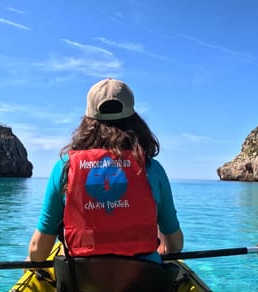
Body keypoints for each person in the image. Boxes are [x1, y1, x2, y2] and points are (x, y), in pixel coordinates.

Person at [25, 77, 184, 267]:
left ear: (87, 121)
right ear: (135, 121)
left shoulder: (64, 167)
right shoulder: (153, 169)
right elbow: (175, 245)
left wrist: (33, 258)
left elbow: (38, 251)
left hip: (80, 282)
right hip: (143, 281)